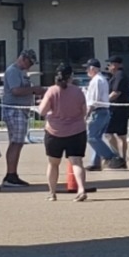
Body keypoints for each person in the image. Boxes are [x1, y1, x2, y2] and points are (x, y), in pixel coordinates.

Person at [37, 63, 89, 202]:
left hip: (55, 131)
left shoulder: (52, 91)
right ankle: (81, 189)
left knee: (53, 163)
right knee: (77, 162)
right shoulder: (78, 91)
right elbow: (85, 111)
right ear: (71, 76)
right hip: (77, 130)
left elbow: (42, 111)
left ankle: (52, 193)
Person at [1, 49, 44, 187]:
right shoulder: (13, 71)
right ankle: (10, 175)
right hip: (14, 110)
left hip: (19, 110)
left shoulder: (21, 72)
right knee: (16, 142)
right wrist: (33, 90)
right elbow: (15, 90)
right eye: (30, 62)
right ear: (24, 59)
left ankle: (12, 174)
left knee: (18, 143)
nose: (31, 65)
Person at [83, 60, 121, 172]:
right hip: (104, 111)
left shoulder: (96, 81)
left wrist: (86, 114)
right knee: (97, 137)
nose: (86, 71)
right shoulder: (102, 79)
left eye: (88, 68)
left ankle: (112, 157)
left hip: (98, 111)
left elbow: (93, 101)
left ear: (93, 69)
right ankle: (96, 163)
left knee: (91, 137)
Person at [103, 58, 129, 169]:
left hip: (119, 110)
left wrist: (104, 101)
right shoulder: (115, 76)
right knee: (118, 135)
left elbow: (116, 92)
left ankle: (119, 158)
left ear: (116, 65)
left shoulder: (120, 75)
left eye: (110, 64)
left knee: (111, 134)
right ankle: (121, 158)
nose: (109, 66)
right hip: (118, 109)